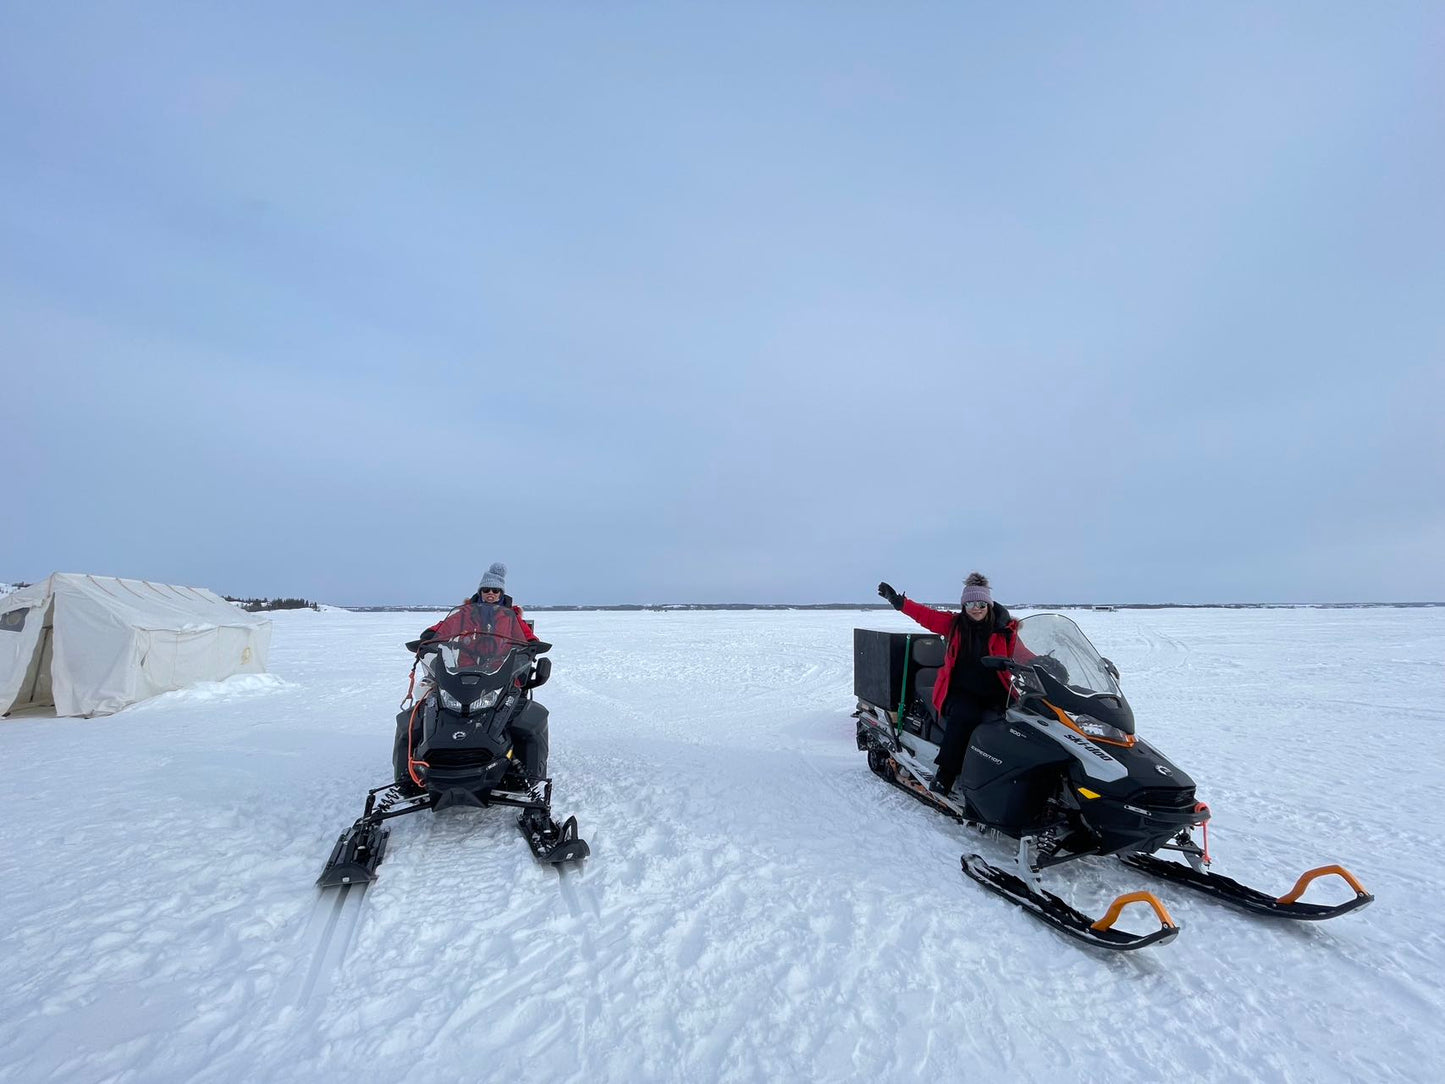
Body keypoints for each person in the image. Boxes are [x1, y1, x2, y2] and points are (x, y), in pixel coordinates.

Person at [876, 571, 1026, 796]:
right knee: (966, 716)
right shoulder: (954, 624)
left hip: (997, 691)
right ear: (964, 606)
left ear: (989, 604)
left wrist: (1048, 663)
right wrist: (900, 602)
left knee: (1022, 721)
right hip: (959, 690)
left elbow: (1022, 654)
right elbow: (927, 616)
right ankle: (945, 774)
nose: (976, 608)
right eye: (970, 604)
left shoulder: (1004, 630)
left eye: (981, 604)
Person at [400, 562, 549, 786]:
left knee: (517, 712)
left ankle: (520, 767)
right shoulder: (466, 613)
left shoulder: (510, 616)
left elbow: (525, 634)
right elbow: (446, 626)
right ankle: (416, 767)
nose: (490, 594)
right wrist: (430, 636)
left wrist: (532, 645)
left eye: (495, 590)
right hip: (465, 668)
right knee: (429, 709)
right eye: (486, 590)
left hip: (500, 668)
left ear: (502, 593)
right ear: (480, 592)